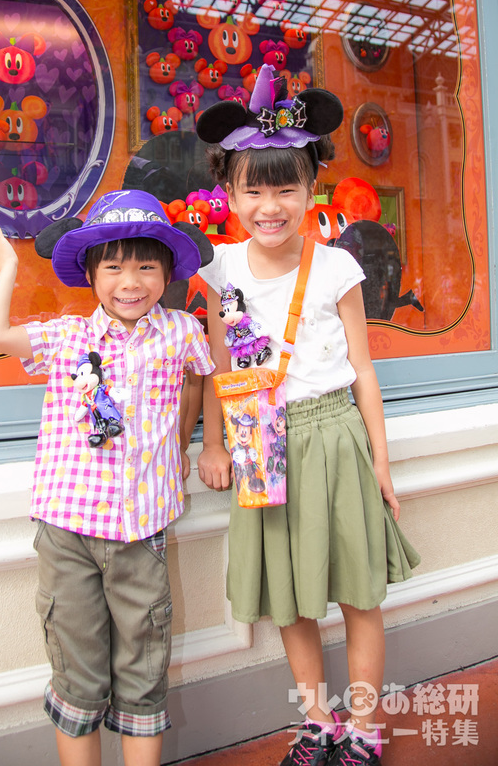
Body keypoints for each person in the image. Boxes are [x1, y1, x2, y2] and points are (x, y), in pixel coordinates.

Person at [195, 66, 420, 766]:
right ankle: (318, 721)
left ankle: (365, 727)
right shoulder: (219, 270)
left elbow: (364, 371)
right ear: (229, 192)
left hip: (335, 436)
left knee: (358, 593)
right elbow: (221, 367)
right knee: (290, 598)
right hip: (260, 443)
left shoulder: (337, 270)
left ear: (311, 188)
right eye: (253, 190)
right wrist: (213, 444)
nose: (270, 206)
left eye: (285, 188)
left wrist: (381, 463)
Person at [0, 189, 215, 766]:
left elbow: (202, 378)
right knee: (77, 679)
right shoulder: (66, 337)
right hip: (68, 535)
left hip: (141, 533)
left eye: (146, 267)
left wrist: (189, 444)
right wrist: (6, 268)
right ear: (90, 273)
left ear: (167, 273)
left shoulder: (182, 331)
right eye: (114, 267)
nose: (131, 282)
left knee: (143, 674)